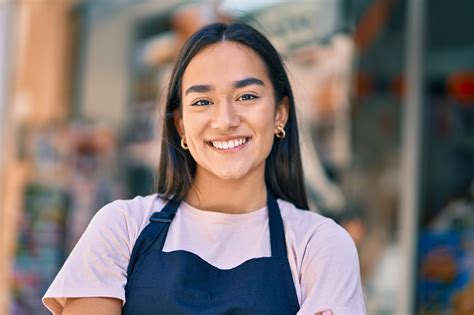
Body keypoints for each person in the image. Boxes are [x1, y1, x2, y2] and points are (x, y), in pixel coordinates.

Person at [42, 22, 366, 315]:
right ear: (181, 126)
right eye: (202, 101)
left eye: (247, 96)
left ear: (279, 114)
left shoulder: (319, 246)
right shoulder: (122, 228)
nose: (225, 120)